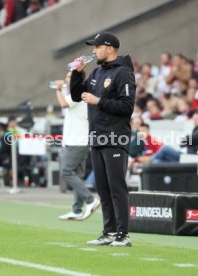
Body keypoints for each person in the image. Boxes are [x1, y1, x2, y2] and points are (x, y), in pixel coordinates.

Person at [70, 32, 136, 247]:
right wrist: (78, 73)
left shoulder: (123, 73)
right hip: (97, 137)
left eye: (97, 47)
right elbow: (76, 95)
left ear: (110, 48)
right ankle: (108, 232)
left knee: (117, 188)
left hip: (115, 138)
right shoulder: (97, 72)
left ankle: (122, 235)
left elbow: (127, 106)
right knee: (103, 189)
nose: (93, 50)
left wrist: (99, 101)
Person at [54, 72, 100, 221]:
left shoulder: (78, 93)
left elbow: (63, 104)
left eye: (69, 76)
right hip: (79, 141)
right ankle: (77, 209)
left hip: (76, 142)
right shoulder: (79, 92)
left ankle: (90, 200)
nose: (67, 78)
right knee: (77, 175)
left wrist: (57, 89)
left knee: (66, 172)